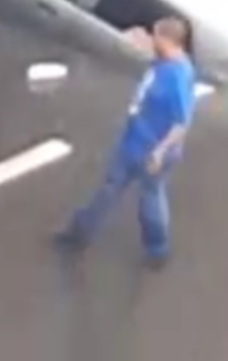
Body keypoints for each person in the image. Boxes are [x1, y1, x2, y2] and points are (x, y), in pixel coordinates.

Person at [55, 16, 197, 267]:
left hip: (151, 149)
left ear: (167, 40)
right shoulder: (165, 62)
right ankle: (79, 233)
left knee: (150, 199)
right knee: (110, 188)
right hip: (133, 142)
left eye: (156, 36)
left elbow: (181, 123)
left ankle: (157, 249)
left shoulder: (176, 77)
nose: (153, 39)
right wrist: (136, 41)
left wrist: (160, 152)